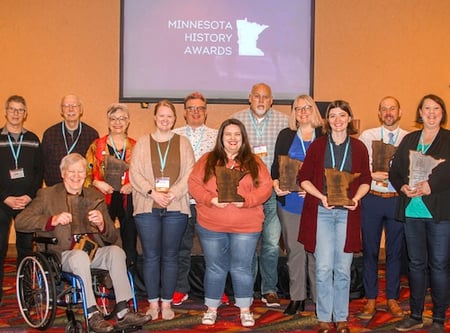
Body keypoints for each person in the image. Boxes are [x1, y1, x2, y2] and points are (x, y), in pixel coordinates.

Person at [14, 153, 151, 333]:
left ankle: (124, 311)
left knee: (117, 252)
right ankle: (92, 314)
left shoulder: (95, 196)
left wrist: (102, 224)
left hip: (93, 252)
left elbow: (111, 235)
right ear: (63, 173)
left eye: (80, 172)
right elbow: (21, 221)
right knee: (79, 257)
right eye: (72, 172)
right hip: (63, 254)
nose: (77, 176)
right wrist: (51, 220)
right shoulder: (47, 195)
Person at [188, 118, 273, 327]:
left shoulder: (254, 162)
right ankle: (211, 308)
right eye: (228, 134)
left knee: (242, 268)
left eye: (237, 134)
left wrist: (247, 201)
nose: (233, 138)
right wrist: (210, 199)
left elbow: (266, 188)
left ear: (243, 138)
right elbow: (193, 184)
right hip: (211, 225)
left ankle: (245, 310)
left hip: (246, 226)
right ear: (221, 138)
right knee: (215, 268)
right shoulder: (208, 160)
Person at [298, 100, 371, 333]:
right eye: (333, 116)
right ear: (327, 121)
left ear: (349, 119)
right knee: (322, 267)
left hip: (348, 215)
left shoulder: (359, 147)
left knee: (342, 269)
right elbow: (303, 179)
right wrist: (322, 197)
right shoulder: (318, 146)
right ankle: (323, 317)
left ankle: (341, 318)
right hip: (323, 212)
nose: (337, 120)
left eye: (342, 115)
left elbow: (366, 181)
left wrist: (357, 198)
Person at [130, 100, 195, 321]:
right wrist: (153, 193)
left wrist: (173, 193)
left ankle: (166, 303)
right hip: (147, 206)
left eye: (169, 116)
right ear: (155, 118)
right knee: (150, 256)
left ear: (174, 119)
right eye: (162, 116)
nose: (165, 119)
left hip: (176, 207)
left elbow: (190, 172)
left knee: (170, 257)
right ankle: (152, 303)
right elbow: (135, 174)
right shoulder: (142, 142)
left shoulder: (183, 142)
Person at [390, 94, 450, 333]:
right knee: (415, 265)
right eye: (427, 108)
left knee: (439, 265)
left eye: (436, 109)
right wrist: (402, 187)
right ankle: (415, 314)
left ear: (442, 113)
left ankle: (437, 318)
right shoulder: (410, 139)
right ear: (420, 113)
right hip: (412, 211)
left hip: (439, 213)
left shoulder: (448, 139)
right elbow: (395, 171)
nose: (432, 113)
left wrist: (430, 186)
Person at [232, 82, 289, 307]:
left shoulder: (284, 121)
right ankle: (247, 289)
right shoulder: (237, 121)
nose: (261, 101)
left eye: (266, 97)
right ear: (249, 98)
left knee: (271, 244)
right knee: (247, 243)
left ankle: (269, 289)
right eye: (257, 96)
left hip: (273, 191)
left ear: (272, 100)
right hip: (247, 193)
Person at [358, 96, 409, 319]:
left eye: (392, 109)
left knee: (395, 252)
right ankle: (370, 299)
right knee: (369, 251)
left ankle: (392, 298)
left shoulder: (408, 138)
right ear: (379, 113)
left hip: (397, 199)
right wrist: (371, 175)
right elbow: (359, 167)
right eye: (384, 109)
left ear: (399, 112)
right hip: (372, 199)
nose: (388, 112)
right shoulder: (367, 137)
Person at [271, 94, 322, 315]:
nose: (302, 112)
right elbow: (276, 166)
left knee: (317, 252)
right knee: (295, 251)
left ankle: (320, 298)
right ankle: (297, 297)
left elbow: (332, 170)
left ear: (314, 111)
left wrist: (314, 191)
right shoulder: (286, 135)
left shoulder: (325, 135)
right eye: (297, 108)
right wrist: (276, 183)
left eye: (307, 108)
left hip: (318, 204)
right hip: (290, 203)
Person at [171, 92, 219, 305]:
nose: (196, 112)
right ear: (184, 112)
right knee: (182, 248)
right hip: (182, 202)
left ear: (206, 112)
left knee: (214, 250)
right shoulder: (174, 135)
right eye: (191, 108)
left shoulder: (217, 136)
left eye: (200, 108)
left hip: (209, 202)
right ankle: (181, 288)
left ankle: (215, 289)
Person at [0, 95, 43, 305]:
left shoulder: (33, 139)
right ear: (5, 111)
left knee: (26, 250)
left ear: (25, 113)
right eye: (12, 109)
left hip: (27, 203)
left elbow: (39, 171)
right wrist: (5, 197)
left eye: (20, 110)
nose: (16, 113)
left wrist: (29, 195)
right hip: (2, 202)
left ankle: (26, 295)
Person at [85, 103, 138, 269]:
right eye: (113, 119)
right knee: (103, 237)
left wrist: (132, 184)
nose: (117, 122)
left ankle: (130, 275)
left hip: (127, 197)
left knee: (129, 239)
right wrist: (96, 182)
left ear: (128, 122)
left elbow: (144, 174)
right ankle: (104, 276)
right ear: (108, 122)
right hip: (103, 198)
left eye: (122, 118)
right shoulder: (96, 145)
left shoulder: (136, 146)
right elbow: (86, 173)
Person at [42, 94, 99, 186]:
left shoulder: (92, 135)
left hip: (83, 190)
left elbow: (95, 166)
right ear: (61, 110)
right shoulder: (49, 134)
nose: (71, 109)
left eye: (74, 106)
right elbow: (43, 165)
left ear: (81, 110)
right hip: (56, 190)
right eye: (66, 106)